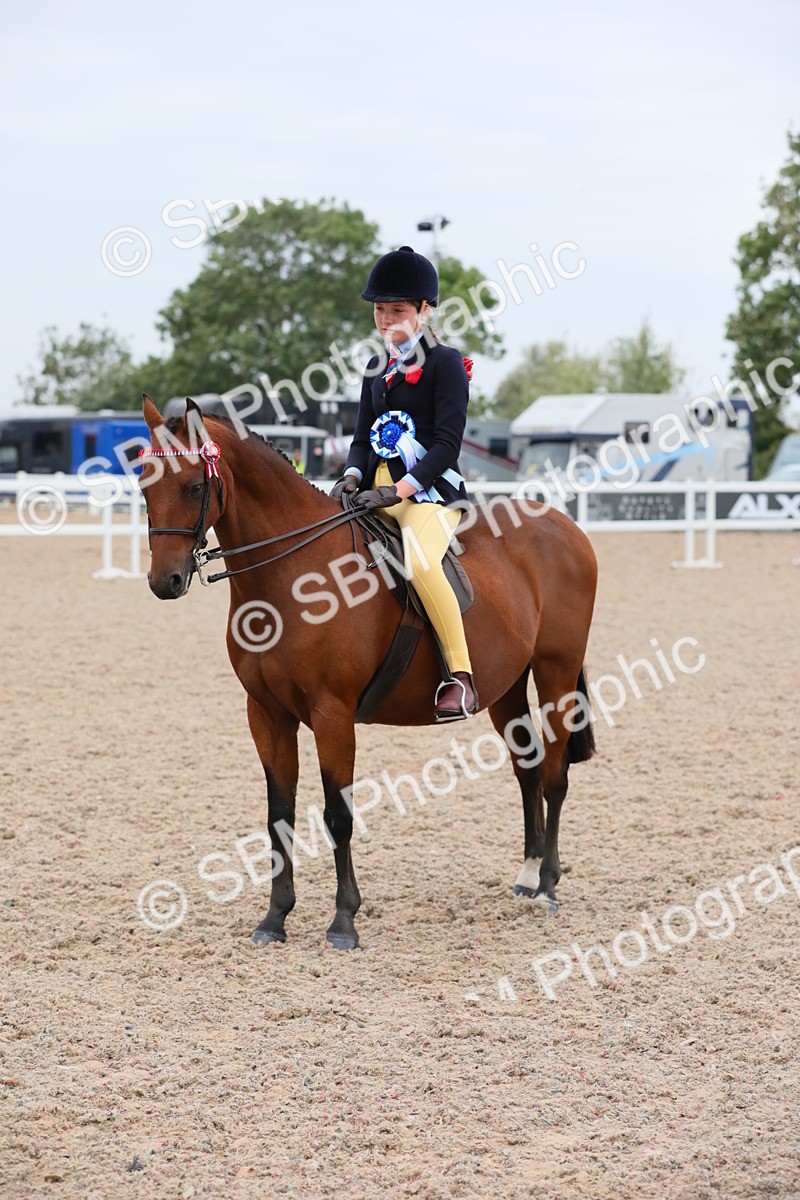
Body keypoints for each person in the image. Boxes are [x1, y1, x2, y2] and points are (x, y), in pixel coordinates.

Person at [330, 245, 477, 721]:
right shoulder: (377, 369)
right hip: (372, 490)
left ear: (424, 311)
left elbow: (447, 444)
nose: (386, 319)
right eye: (379, 310)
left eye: (397, 310)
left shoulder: (445, 363)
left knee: (417, 559)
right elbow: (359, 439)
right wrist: (352, 475)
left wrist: (402, 490)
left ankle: (461, 676)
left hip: (428, 493)